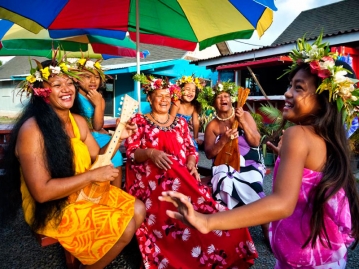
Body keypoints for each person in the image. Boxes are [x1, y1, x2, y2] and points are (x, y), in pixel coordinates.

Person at [159, 34, 359, 269]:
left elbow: (283, 203)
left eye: (298, 88)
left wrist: (208, 221)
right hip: (329, 255)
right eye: (290, 85)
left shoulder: (298, 135)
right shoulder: (334, 140)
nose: (287, 93)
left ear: (324, 99)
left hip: (303, 256)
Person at [0, 55, 145, 269]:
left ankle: (93, 255)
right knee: (125, 227)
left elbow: (99, 156)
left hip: (83, 192)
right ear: (41, 92)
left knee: (139, 209)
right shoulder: (32, 130)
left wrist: (119, 136)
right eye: (57, 84)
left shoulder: (77, 121)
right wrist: (91, 176)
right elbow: (42, 192)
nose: (66, 88)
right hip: (53, 207)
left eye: (70, 83)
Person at [126, 74, 258, 268]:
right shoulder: (138, 120)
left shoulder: (180, 122)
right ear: (149, 98)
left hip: (182, 178)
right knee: (171, 212)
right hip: (152, 183)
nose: (164, 99)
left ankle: (222, 241)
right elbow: (131, 152)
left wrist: (190, 161)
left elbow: (191, 148)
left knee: (203, 207)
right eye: (159, 95)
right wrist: (151, 153)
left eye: (167, 96)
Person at [200, 81, 269, 241]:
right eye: (219, 97)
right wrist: (223, 140)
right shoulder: (212, 125)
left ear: (231, 99)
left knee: (251, 181)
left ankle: (265, 223)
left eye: (226, 96)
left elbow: (256, 142)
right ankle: (232, 225)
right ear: (213, 102)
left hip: (250, 163)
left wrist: (242, 122)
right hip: (223, 164)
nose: (223, 99)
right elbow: (210, 154)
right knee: (224, 179)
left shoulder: (244, 115)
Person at [70, 57, 124, 188]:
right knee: (110, 156)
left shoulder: (99, 98)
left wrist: (98, 104)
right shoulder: (73, 97)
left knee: (117, 155)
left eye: (97, 77)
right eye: (87, 76)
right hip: (81, 137)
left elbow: (98, 125)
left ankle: (117, 193)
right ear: (77, 78)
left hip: (96, 134)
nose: (93, 81)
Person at [170, 75, 205, 150]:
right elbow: (171, 120)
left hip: (185, 133)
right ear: (180, 90)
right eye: (188, 89)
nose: (190, 92)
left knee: (193, 147)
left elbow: (195, 122)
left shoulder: (194, 105)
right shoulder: (177, 103)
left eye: (193, 91)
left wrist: (195, 138)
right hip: (174, 132)